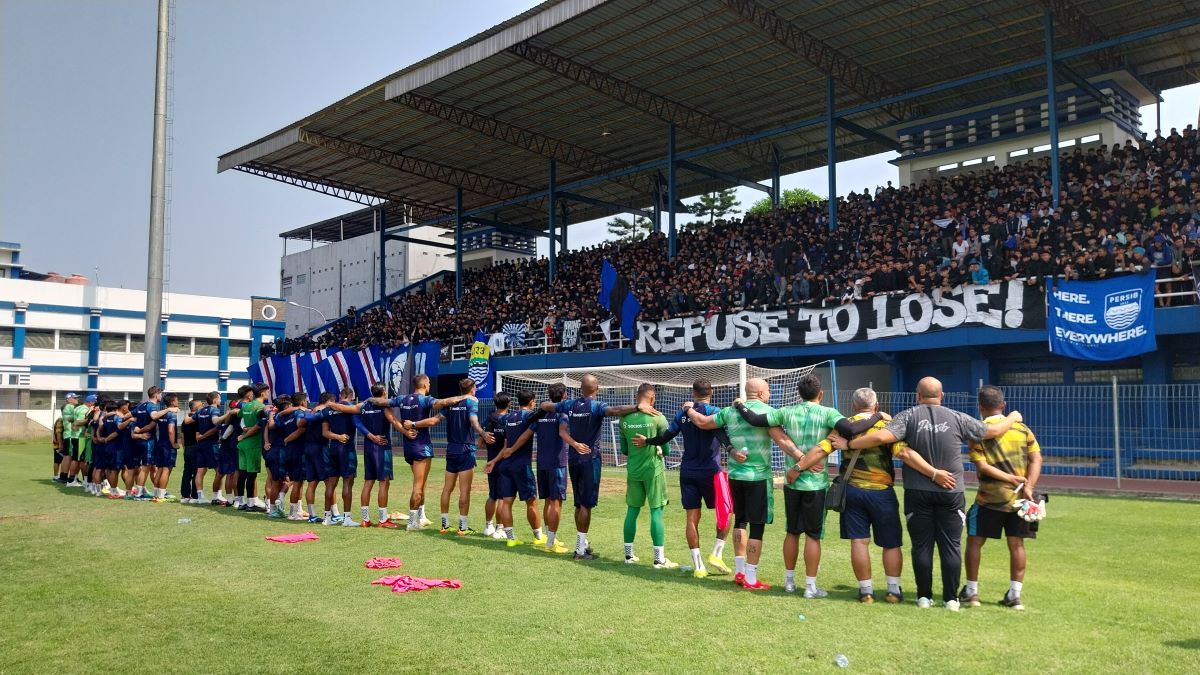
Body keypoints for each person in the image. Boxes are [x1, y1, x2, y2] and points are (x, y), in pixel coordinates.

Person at [843, 377, 1022, 610]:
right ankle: (950, 599)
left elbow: (879, 437)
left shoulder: (907, 416)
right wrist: (1013, 417)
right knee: (951, 546)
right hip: (951, 491)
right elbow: (992, 430)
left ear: (917, 395)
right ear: (942, 395)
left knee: (922, 545)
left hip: (918, 491)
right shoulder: (957, 417)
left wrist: (848, 445)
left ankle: (924, 597)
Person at [733, 374, 881, 597]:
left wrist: (740, 404)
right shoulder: (828, 413)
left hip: (792, 482)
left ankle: (789, 582)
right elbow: (851, 430)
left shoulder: (786, 411)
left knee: (792, 532)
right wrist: (877, 415)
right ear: (820, 394)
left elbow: (754, 419)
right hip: (815, 483)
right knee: (813, 535)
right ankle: (810, 587)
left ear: (799, 394)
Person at [780, 387, 903, 603]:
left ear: (854, 406)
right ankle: (893, 590)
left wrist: (797, 468)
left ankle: (866, 591)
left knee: (859, 542)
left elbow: (820, 450)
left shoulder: (845, 426)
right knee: (891, 543)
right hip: (883, 491)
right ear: (876, 405)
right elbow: (902, 451)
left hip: (853, 491)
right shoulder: (887, 424)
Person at [537, 373, 656, 561]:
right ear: (597, 389)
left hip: (574, 459)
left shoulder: (570, 405)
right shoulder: (596, 406)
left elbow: (545, 406)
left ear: (580, 389)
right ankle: (580, 551)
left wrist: (544, 406)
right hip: (590, 460)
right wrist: (637, 406)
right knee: (586, 505)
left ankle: (582, 545)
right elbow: (616, 410)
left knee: (579, 504)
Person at [632, 378, 734, 578]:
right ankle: (716, 554)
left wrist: (648, 441)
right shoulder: (714, 412)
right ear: (711, 392)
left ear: (693, 393)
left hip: (688, 471)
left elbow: (665, 438)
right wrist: (731, 449)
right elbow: (722, 436)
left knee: (691, 518)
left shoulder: (682, 414)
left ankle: (699, 567)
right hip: (711, 471)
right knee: (726, 511)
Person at [686, 378, 775, 590]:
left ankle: (739, 572)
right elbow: (781, 438)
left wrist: (689, 410)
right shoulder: (769, 411)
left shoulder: (728, 412)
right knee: (757, 527)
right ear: (762, 393)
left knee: (740, 522)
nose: (769, 394)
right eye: (768, 390)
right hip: (758, 478)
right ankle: (751, 579)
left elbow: (703, 422)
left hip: (735, 476)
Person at [962, 385, 1042, 611]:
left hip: (990, 497)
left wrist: (1009, 479)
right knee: (1017, 544)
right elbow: (1036, 459)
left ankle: (972, 591)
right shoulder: (1023, 429)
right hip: (1021, 499)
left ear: (980, 407)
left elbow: (982, 466)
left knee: (975, 540)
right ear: (1003, 405)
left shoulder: (978, 431)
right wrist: (1029, 485)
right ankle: (1015, 595)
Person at [358, 376, 469, 530]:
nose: (429, 384)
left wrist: (370, 398)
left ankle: (420, 517)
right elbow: (443, 403)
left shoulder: (402, 398)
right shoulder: (424, 400)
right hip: (421, 447)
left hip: (408, 448)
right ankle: (412, 522)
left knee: (420, 484)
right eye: (429, 382)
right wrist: (465, 396)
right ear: (423, 384)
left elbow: (382, 402)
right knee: (418, 486)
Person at [617, 384, 677, 569]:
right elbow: (665, 448)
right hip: (653, 470)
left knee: (632, 511)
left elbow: (624, 450)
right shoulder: (658, 418)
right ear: (652, 399)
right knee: (656, 511)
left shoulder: (624, 419)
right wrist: (657, 448)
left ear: (637, 398)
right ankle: (659, 559)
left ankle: (628, 556)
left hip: (633, 470)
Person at [327, 384, 404, 528]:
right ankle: (382, 520)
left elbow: (345, 409)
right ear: (385, 392)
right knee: (383, 482)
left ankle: (365, 519)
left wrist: (329, 404)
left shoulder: (364, 406)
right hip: (382, 446)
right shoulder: (384, 406)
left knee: (368, 482)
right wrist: (406, 432)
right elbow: (394, 421)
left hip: (368, 447)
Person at [483, 390, 544, 546]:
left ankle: (511, 539)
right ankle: (539, 537)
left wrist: (495, 461)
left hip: (505, 465)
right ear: (532, 402)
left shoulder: (507, 418)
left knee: (507, 502)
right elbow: (523, 438)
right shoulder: (529, 416)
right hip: (521, 466)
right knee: (531, 502)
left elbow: (505, 445)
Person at [436, 378, 492, 535]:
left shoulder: (452, 403)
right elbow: (473, 421)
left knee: (447, 489)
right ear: (473, 388)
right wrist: (482, 433)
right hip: (466, 450)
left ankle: (445, 525)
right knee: (464, 491)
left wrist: (414, 424)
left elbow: (435, 420)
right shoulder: (472, 401)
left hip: (451, 450)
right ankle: (463, 527)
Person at [533, 383, 572, 553]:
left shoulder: (540, 413)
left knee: (548, 500)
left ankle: (551, 537)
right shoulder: (562, 414)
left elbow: (529, 430)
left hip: (541, 462)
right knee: (556, 502)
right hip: (557, 462)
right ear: (564, 395)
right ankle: (550, 543)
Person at [321, 387, 362, 526]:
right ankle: (347, 518)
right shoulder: (352, 407)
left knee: (331, 484)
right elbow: (359, 422)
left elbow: (325, 433)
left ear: (340, 395)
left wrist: (337, 437)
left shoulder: (328, 410)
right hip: (347, 448)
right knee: (347, 483)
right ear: (351, 395)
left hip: (333, 448)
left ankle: (326, 518)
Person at [482, 392, 511, 539]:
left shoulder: (488, 419)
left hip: (490, 460)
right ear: (509, 404)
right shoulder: (507, 420)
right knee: (503, 497)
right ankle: (500, 529)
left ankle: (488, 526)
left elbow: (481, 442)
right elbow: (506, 446)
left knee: (492, 495)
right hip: (502, 462)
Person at [263, 395, 294, 518]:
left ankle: (275, 507)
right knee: (279, 482)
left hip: (273, 452)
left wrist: (266, 441)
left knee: (282, 480)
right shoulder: (282, 417)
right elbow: (270, 426)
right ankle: (275, 507)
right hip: (279, 452)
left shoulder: (274, 415)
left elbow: (267, 427)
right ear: (286, 406)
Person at [191, 392, 223, 505]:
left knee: (200, 471)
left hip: (201, 445)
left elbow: (189, 420)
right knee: (219, 470)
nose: (220, 401)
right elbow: (216, 427)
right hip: (211, 444)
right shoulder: (215, 411)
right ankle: (217, 495)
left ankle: (200, 496)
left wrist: (199, 435)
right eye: (219, 399)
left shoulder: (200, 411)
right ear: (214, 400)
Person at [150, 393, 181, 502]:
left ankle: (156, 494)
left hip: (160, 444)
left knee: (159, 470)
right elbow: (171, 430)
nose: (178, 402)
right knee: (166, 470)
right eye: (177, 400)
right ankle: (162, 495)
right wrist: (173, 444)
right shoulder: (171, 415)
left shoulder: (161, 414)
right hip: (168, 446)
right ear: (172, 402)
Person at [179, 399, 202, 504]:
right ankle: (194, 496)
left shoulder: (185, 420)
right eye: (201, 405)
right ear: (197, 408)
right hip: (195, 447)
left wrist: (184, 448)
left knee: (187, 472)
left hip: (187, 447)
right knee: (196, 472)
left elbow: (182, 436)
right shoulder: (197, 419)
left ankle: (184, 495)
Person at [58, 392, 80, 485]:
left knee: (67, 456)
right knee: (70, 457)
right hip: (71, 434)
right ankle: (69, 477)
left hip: (67, 434)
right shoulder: (70, 407)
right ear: (68, 399)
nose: (77, 400)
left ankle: (63, 476)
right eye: (75, 398)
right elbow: (77, 418)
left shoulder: (67, 407)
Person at [51, 412, 65, 483]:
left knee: (61, 461)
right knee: (58, 461)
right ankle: (56, 476)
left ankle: (59, 476)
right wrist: (60, 444)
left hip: (58, 444)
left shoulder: (61, 420)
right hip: (58, 445)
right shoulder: (60, 421)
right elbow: (58, 434)